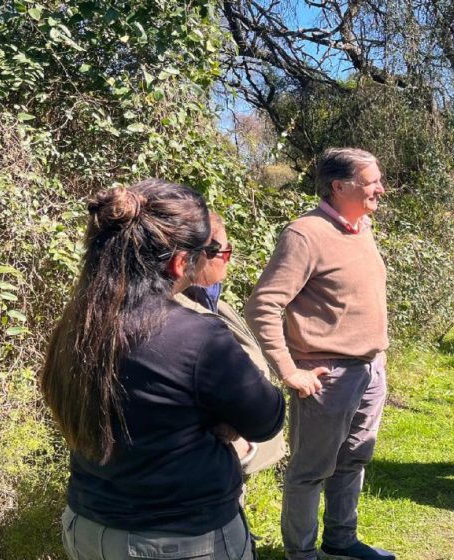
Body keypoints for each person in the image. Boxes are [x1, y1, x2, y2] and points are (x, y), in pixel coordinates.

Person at [40, 179, 285, 560]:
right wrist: (218, 423)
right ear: (179, 262)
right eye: (207, 251)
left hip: (87, 525)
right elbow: (267, 419)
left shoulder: (80, 322)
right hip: (180, 539)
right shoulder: (196, 334)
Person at [244, 148, 393, 560]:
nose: (380, 188)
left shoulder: (362, 228)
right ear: (339, 186)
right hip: (325, 376)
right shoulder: (305, 234)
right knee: (310, 472)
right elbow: (263, 306)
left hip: (369, 370)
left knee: (353, 461)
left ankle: (340, 542)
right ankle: (302, 554)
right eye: (372, 182)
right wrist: (289, 370)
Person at [180, 212, 286, 476]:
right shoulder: (190, 321)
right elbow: (264, 413)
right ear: (204, 255)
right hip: (202, 478)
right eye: (226, 253)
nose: (229, 261)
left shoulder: (216, 306)